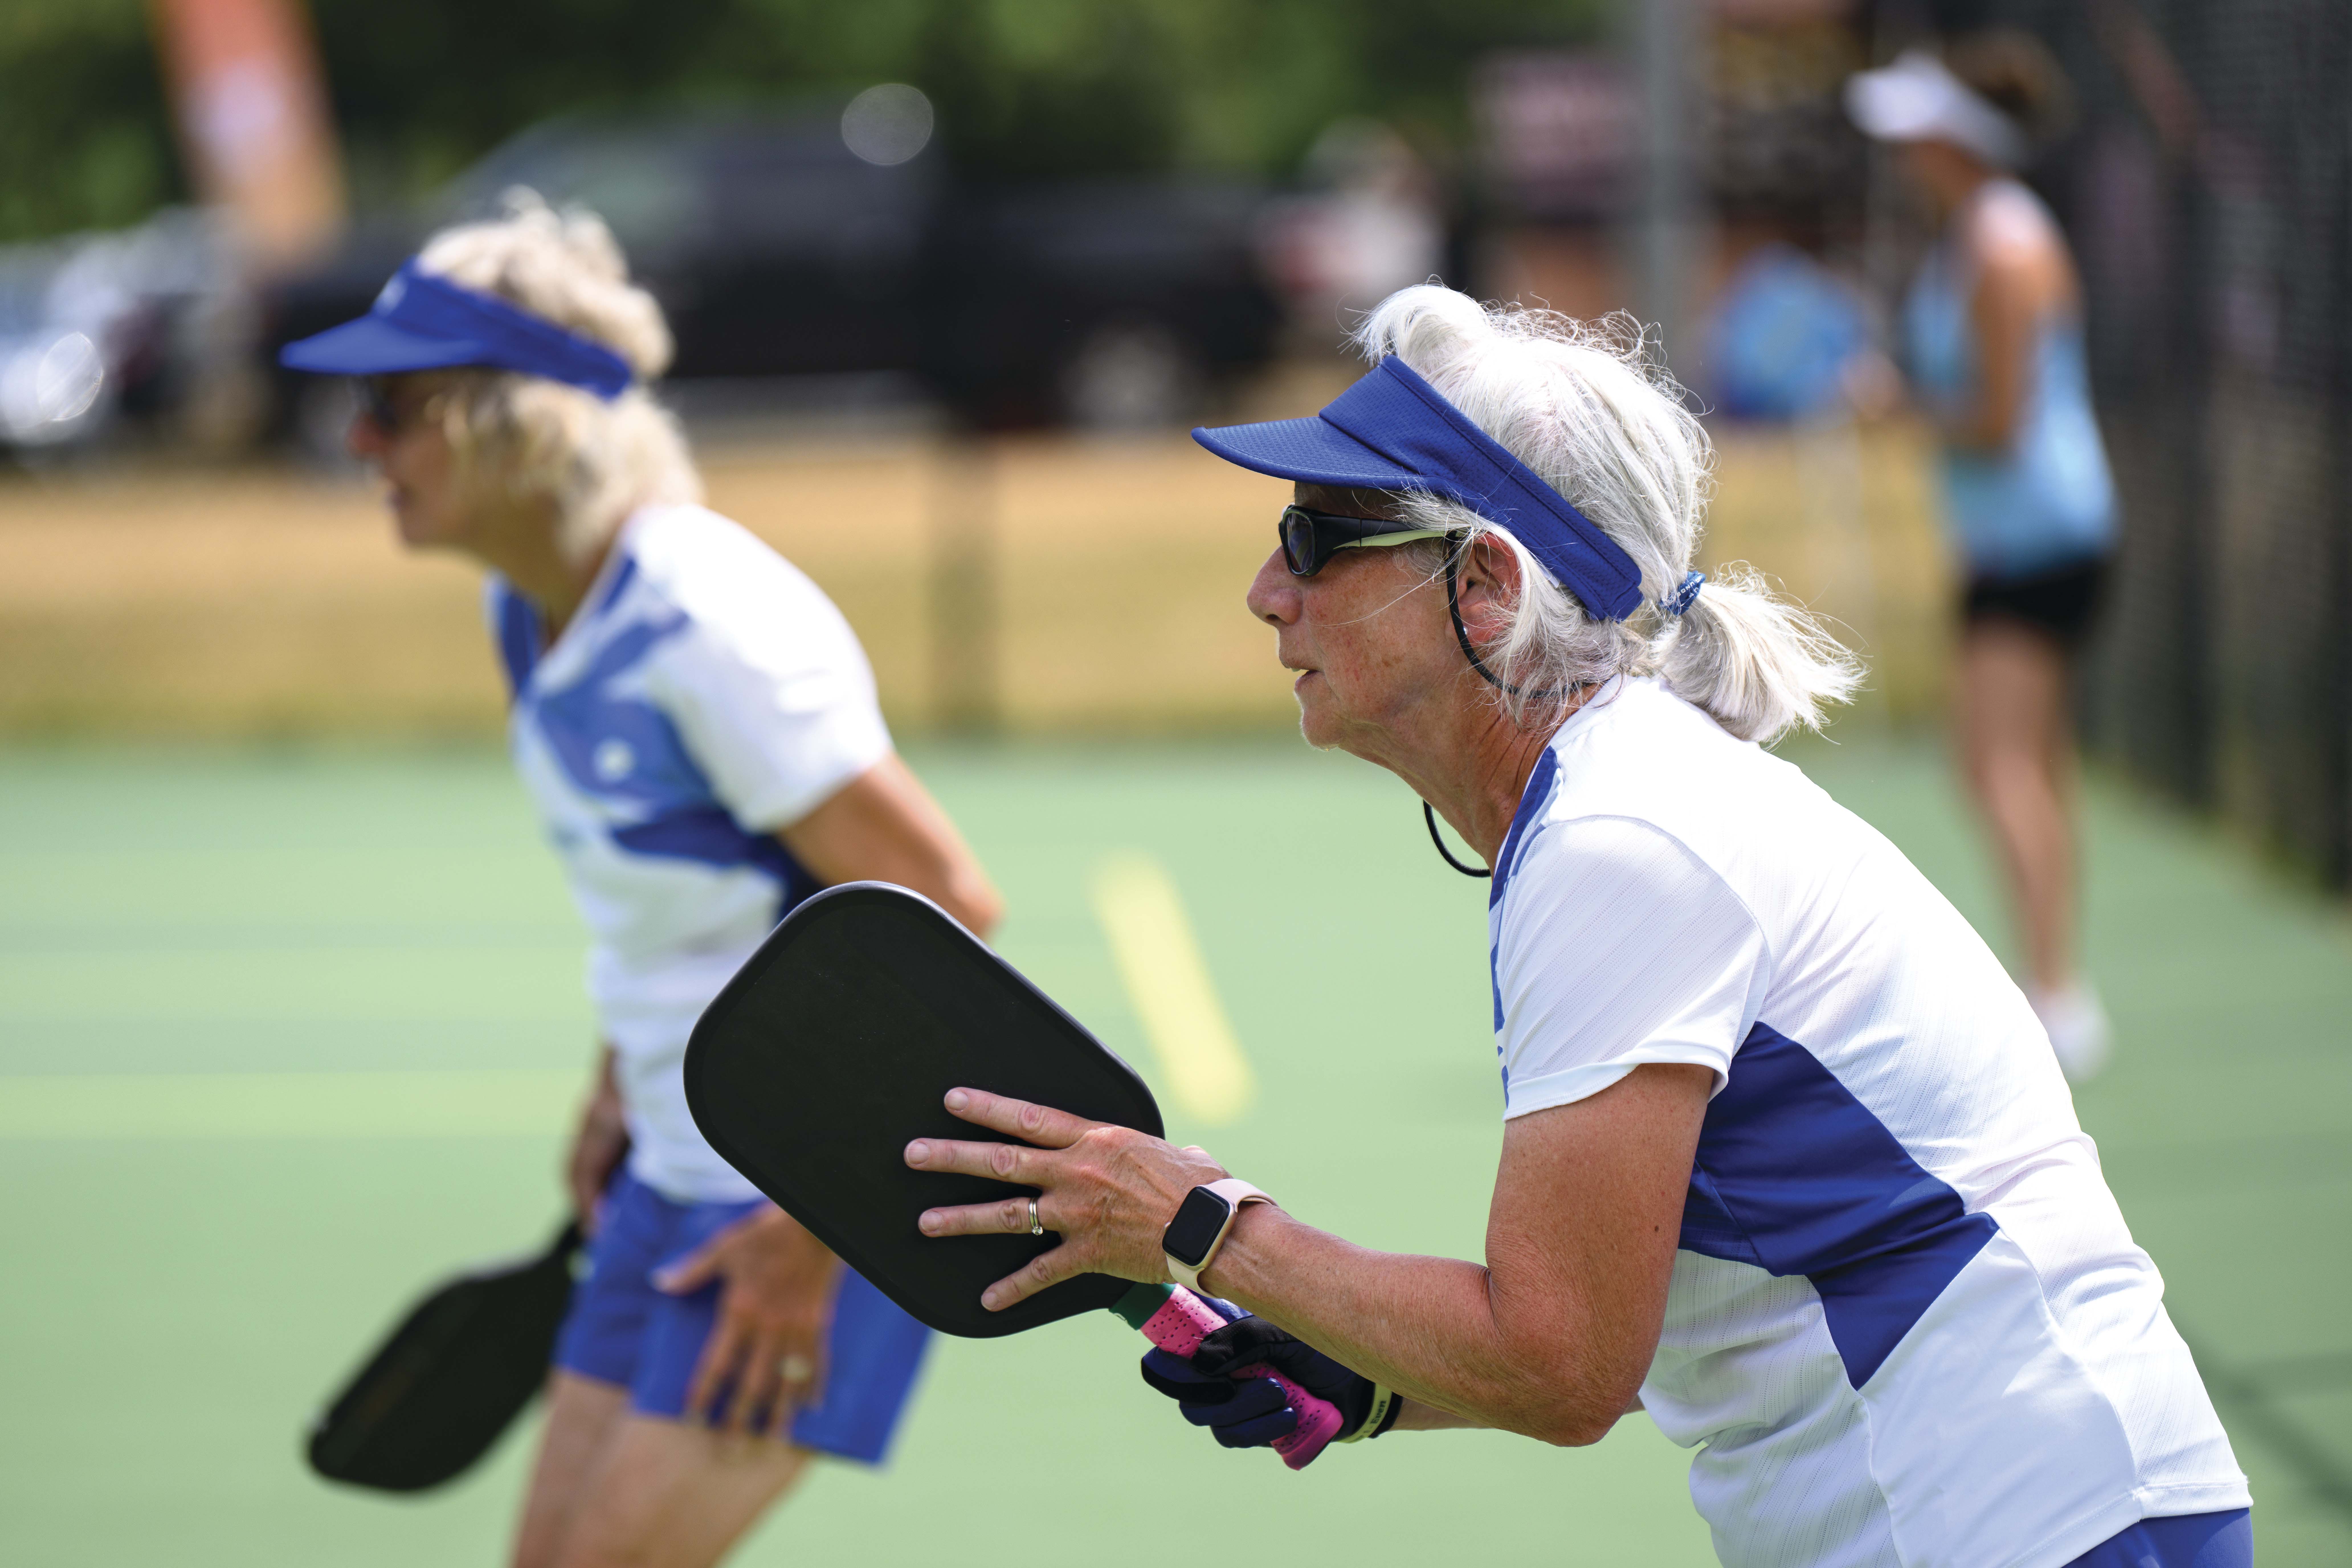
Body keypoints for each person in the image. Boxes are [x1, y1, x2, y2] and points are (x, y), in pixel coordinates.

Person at [897, 287, 2250, 1566]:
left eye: (1318, 536)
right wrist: (1370, 1386)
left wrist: (1197, 1223)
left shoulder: (1620, 843)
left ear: (1484, 584)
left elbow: (1562, 1364)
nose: (1267, 588)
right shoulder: (1619, 804)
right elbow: (1659, 1309)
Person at [280, 197, 1003, 1568]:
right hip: (666, 1178)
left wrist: (812, 1235)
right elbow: (678, 897)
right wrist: (618, 1075)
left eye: (394, 404)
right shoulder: (530, 605)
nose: (359, 441)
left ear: (517, 419)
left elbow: (946, 916)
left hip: (802, 1206)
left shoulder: (710, 624)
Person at [1845, 39, 2120, 1080]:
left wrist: (1895, 406)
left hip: (2039, 536)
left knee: (1998, 762)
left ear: (1957, 142)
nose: (1905, 151)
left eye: (1920, 132)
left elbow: (2002, 422)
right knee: (2029, 764)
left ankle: (2054, 996)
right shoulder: (1977, 238)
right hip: (2027, 535)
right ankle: (2059, 984)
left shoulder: (2004, 251)